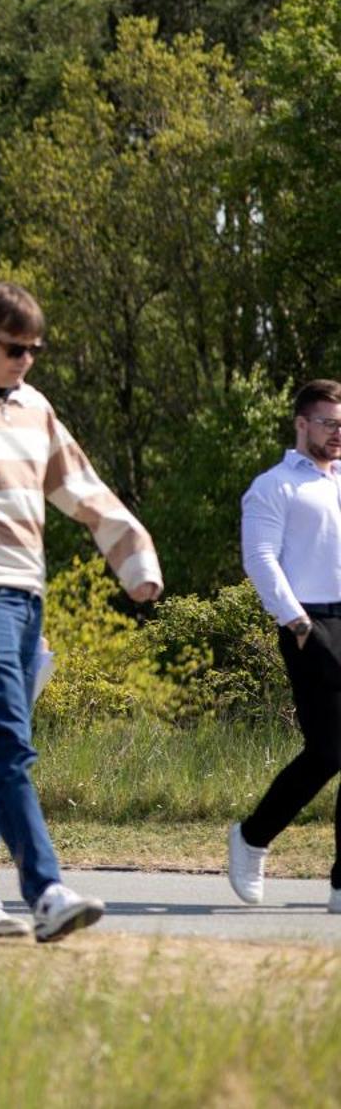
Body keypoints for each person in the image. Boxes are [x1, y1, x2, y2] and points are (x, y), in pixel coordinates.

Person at [0, 283, 157, 942]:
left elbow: (81, 486)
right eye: (15, 348)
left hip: (26, 593)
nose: (26, 360)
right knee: (9, 739)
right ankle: (44, 888)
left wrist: (135, 560)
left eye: (36, 349)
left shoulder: (35, 408)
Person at [230, 379, 341, 910]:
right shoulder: (273, 485)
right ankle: (252, 837)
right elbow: (261, 560)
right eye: (328, 423)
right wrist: (298, 627)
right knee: (328, 751)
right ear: (301, 423)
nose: (338, 433)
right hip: (309, 622)